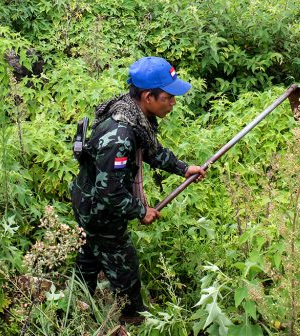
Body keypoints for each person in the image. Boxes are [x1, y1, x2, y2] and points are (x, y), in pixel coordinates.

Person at [70, 56, 206, 323]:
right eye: (169, 97)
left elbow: (150, 151)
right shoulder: (120, 135)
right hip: (98, 211)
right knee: (125, 270)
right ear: (148, 97)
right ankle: (133, 319)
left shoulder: (133, 114)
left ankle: (76, 306)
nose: (173, 103)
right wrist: (139, 210)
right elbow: (109, 190)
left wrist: (183, 167)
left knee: (90, 254)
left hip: (91, 201)